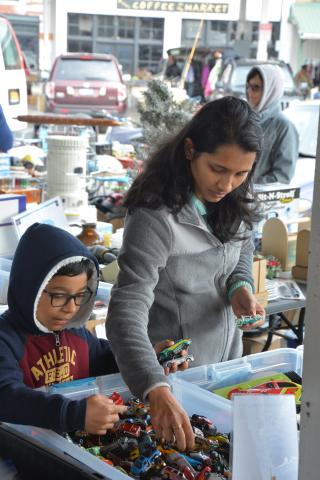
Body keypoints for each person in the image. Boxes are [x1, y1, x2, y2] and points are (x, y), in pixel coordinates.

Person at [107, 96, 266, 451]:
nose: (227, 184)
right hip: (174, 382)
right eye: (218, 169)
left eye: (241, 174)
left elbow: (242, 248)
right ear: (191, 150)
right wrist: (153, 387)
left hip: (225, 371)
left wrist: (239, 287)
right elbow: (125, 310)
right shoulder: (156, 216)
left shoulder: (233, 200)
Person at [0, 223, 183, 433]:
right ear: (28, 288)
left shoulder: (76, 333)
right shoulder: (6, 339)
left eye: (80, 296)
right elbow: (6, 398)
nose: (71, 308)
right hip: (24, 448)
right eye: (59, 296)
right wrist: (72, 414)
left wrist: (150, 360)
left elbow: (107, 360)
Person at [246, 64, 299, 184]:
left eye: (256, 87)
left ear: (271, 90)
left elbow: (282, 177)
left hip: (259, 200)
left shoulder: (284, 127)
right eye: (248, 86)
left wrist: (248, 188)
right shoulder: (245, 120)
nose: (249, 92)